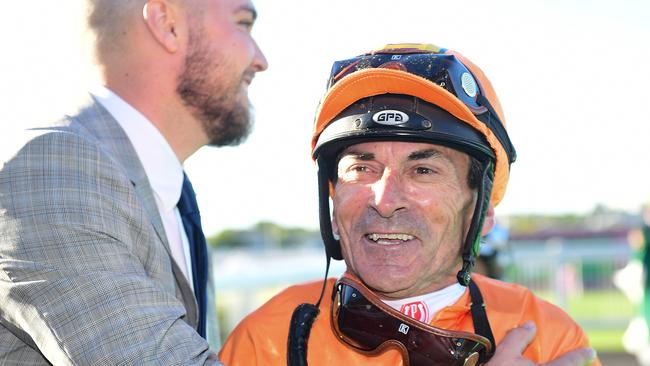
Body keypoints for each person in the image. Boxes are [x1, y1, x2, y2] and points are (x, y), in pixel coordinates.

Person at [219, 44, 600, 365]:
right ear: (333, 205)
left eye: (422, 170)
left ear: (481, 213)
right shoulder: (266, 340)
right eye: (362, 167)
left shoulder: (548, 338)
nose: (385, 201)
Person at [0, 0, 267, 364]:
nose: (261, 60)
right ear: (166, 23)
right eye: (244, 23)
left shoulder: (166, 191)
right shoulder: (53, 171)